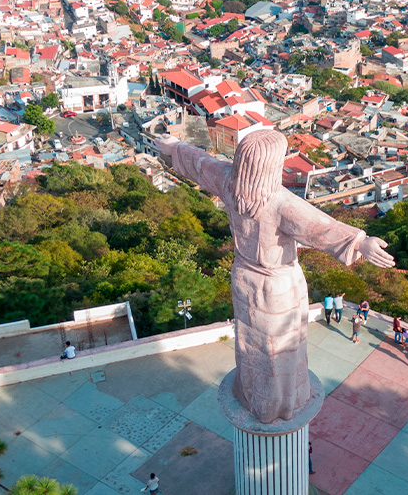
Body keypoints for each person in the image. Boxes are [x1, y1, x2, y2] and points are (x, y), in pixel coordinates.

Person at [156, 131, 395, 424]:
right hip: (279, 285)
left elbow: (200, 163)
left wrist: (175, 148)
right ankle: (284, 404)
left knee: (252, 347)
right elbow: (321, 229)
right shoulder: (281, 203)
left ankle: (254, 397)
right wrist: (360, 241)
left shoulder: (229, 182)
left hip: (244, 279)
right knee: (283, 351)